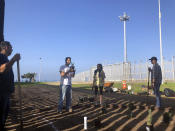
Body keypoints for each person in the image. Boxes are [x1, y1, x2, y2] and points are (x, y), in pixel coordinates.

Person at [0, 41, 20, 131]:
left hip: (6, 92)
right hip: (1, 93)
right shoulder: (1, 56)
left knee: (4, 114)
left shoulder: (5, 58)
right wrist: (14, 59)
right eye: (11, 47)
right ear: (6, 47)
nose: (12, 49)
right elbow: (1, 69)